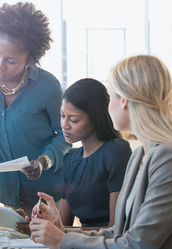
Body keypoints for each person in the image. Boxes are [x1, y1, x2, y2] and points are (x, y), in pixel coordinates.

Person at [29, 55, 172, 249]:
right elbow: (118, 233)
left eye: (111, 96)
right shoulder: (141, 155)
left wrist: (63, 240)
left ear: (124, 100)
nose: (108, 105)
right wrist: (61, 232)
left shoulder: (165, 157)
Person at [0, 2, 71, 215]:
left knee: (43, 247)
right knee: (14, 246)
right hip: (9, 191)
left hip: (47, 193)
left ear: (29, 59)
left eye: (10, 60)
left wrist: (43, 161)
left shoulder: (48, 86)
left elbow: (63, 135)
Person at [15, 78, 132, 235]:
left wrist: (53, 230)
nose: (64, 125)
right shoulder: (71, 159)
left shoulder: (117, 151)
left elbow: (115, 229)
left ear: (96, 118)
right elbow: (63, 226)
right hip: (80, 248)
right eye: (62, 116)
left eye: (74, 119)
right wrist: (39, 224)